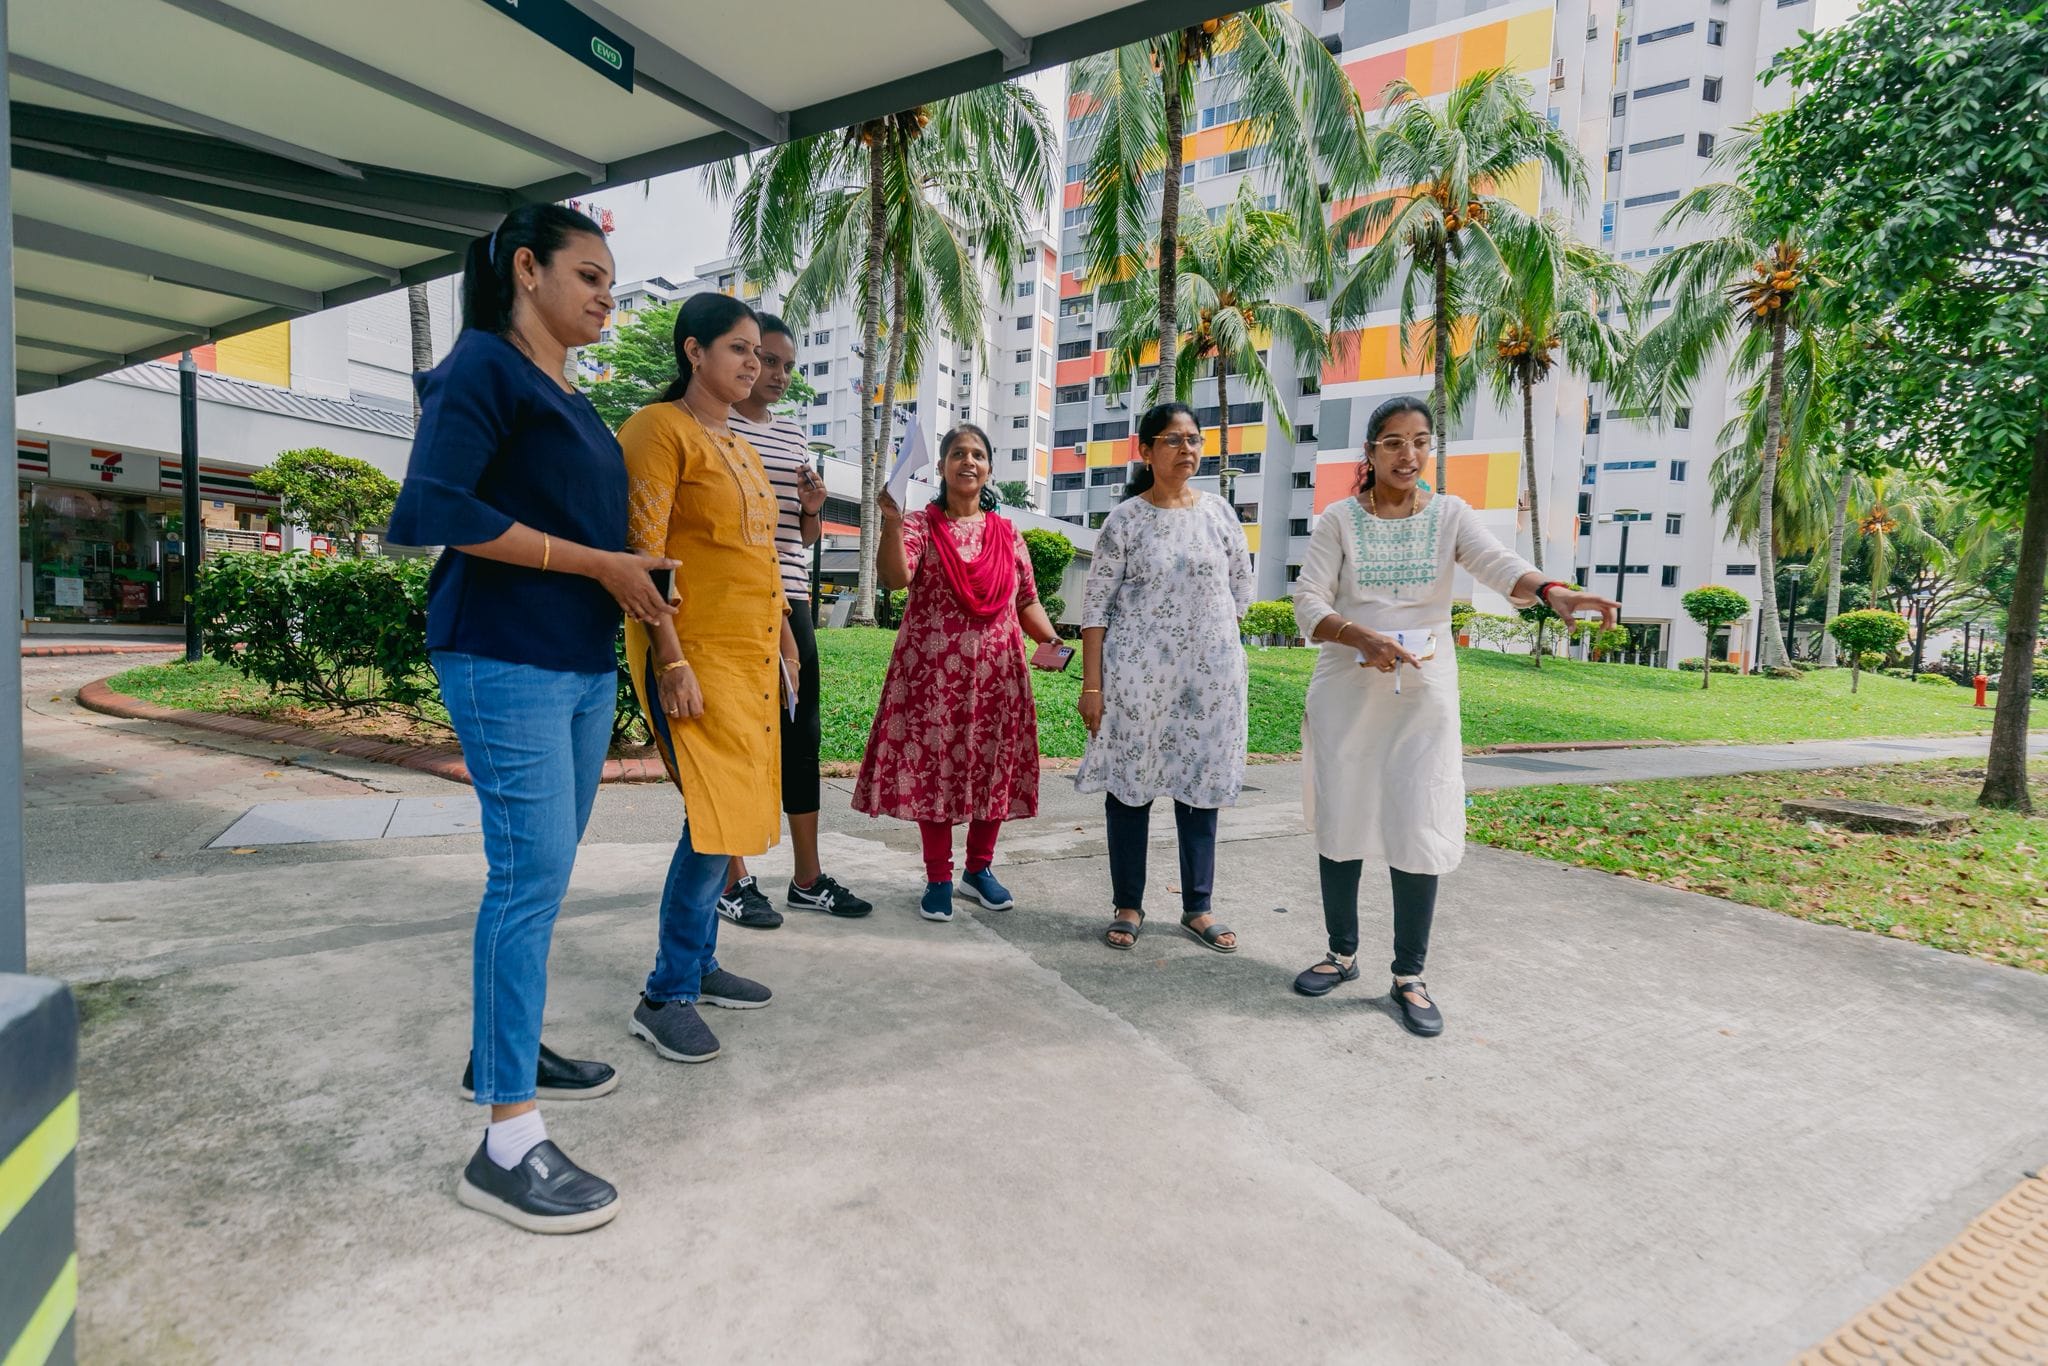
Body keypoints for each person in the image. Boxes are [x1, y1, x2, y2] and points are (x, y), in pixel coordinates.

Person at [389, 204, 677, 1234]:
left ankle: (500, 1052)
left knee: (543, 877)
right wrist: (598, 563)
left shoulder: (571, 393)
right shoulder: (481, 366)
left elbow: (588, 528)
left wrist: (632, 576)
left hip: (578, 661)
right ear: (526, 269)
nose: (607, 295)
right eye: (589, 275)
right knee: (527, 879)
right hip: (504, 653)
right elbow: (437, 508)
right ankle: (506, 1142)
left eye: (610, 280)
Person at [1289, 395, 1618, 1035]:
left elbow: (1499, 565)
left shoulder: (1451, 515)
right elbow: (1308, 601)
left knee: (1419, 816)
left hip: (1424, 692)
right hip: (1347, 688)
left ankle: (1409, 976)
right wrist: (1359, 636)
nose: (1408, 454)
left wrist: (1554, 591)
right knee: (1343, 813)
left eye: (1420, 441)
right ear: (1371, 451)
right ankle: (1341, 954)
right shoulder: (1338, 520)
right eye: (1393, 442)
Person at [618, 293, 790, 1065]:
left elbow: (762, 559)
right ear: (694, 350)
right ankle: (665, 994)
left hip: (751, 660)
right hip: (695, 656)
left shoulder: (741, 444)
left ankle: (700, 964)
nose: (754, 363)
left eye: (759, 352)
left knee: (733, 814)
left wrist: (784, 644)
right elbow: (645, 557)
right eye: (738, 349)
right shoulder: (657, 430)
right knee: (713, 820)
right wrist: (672, 659)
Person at [852, 423, 1065, 921]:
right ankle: (939, 877)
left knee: (993, 765)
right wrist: (890, 523)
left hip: (998, 676)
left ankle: (979, 869)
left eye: (978, 454)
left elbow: (1026, 600)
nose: (968, 461)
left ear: (989, 469)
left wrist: (1052, 640)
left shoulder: (1008, 534)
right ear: (943, 466)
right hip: (932, 678)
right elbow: (895, 578)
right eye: (957, 454)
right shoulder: (920, 526)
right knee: (936, 769)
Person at [1076, 402, 1253, 954]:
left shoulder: (1220, 514)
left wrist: (1204, 651)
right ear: (1146, 451)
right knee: (1130, 789)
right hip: (1136, 683)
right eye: (1173, 440)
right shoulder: (1125, 521)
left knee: (1199, 789)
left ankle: (1198, 907)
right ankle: (1128, 904)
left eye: (1193, 439)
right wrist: (1092, 686)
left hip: (1208, 684)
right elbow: (1095, 608)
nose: (1186, 449)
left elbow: (1240, 594)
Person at [717, 314, 871, 927]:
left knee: (800, 735)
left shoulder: (791, 435)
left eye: (786, 365)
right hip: (735, 599)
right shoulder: (711, 423)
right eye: (765, 359)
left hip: (794, 596)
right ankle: (731, 878)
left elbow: (799, 537)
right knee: (734, 738)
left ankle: (807, 877)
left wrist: (812, 510)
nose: (776, 374)